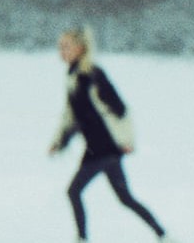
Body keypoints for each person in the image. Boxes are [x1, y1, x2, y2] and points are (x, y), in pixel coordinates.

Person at [48, 25, 168, 242]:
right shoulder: (73, 76)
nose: (61, 51)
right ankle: (162, 234)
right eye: (60, 47)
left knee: (74, 191)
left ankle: (82, 239)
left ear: (80, 48)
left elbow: (121, 109)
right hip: (99, 148)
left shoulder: (93, 75)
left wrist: (127, 141)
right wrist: (59, 141)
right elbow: (73, 117)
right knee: (125, 198)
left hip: (105, 147)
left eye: (66, 46)